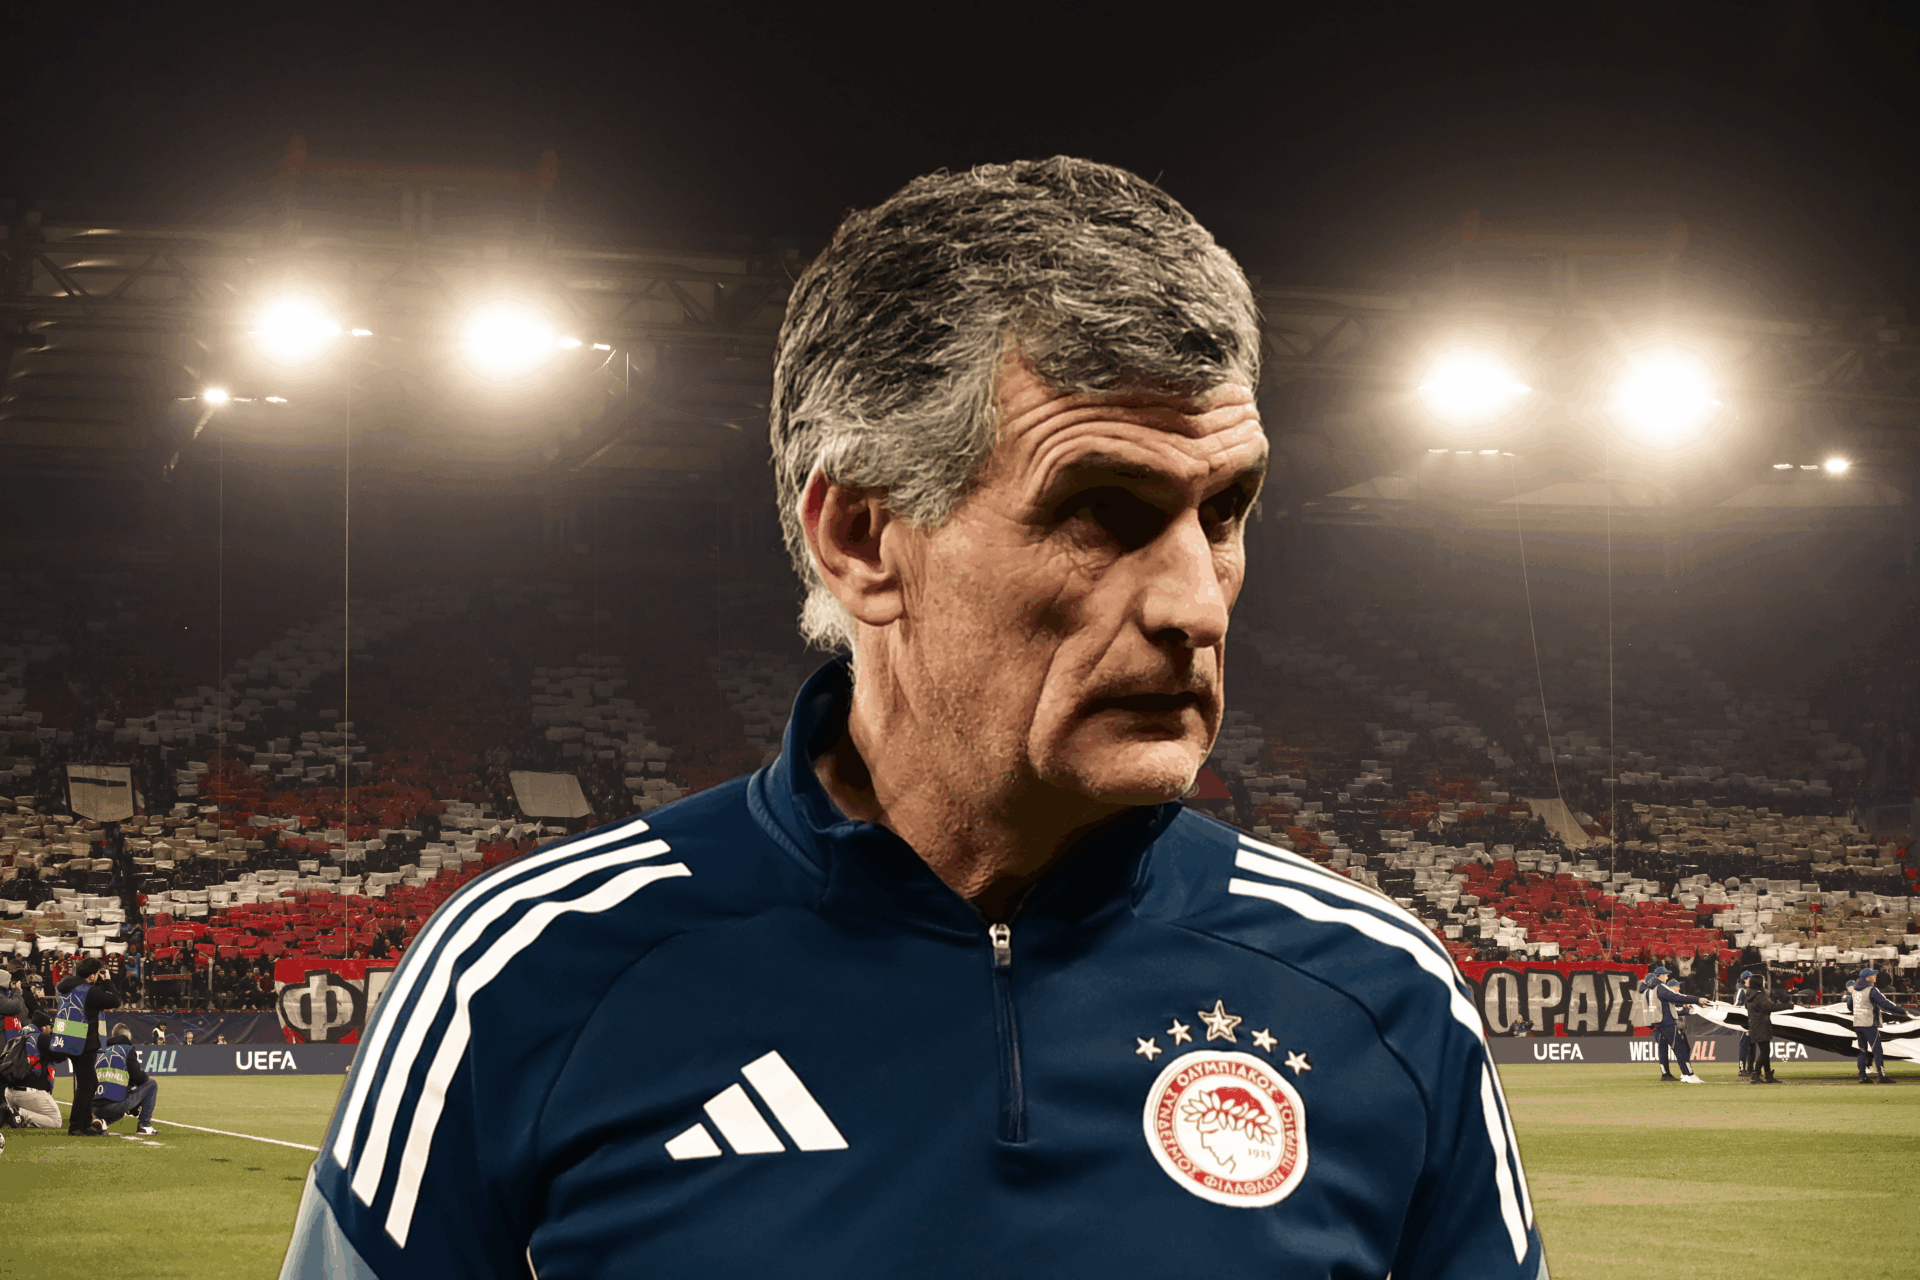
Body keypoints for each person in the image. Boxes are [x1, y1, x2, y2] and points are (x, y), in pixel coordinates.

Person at [284, 158, 1547, 1280]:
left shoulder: (1381, 993)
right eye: (1102, 510)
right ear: (862, 536)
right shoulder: (524, 976)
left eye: (1222, 512)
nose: (1196, 603)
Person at [50, 956, 121, 1136]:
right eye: (97, 974)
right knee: (86, 1084)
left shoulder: (69, 987)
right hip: (84, 1040)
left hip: (71, 1037)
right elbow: (115, 1001)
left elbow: (91, 1001)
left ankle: (84, 1124)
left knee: (89, 1082)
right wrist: (108, 982)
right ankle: (76, 1126)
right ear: (91, 976)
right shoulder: (88, 991)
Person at [1639, 966, 1708, 1083]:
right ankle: (1688, 1074)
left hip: (1657, 1022)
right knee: (1680, 1048)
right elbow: (1676, 997)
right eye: (1666, 975)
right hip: (1667, 1021)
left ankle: (1672, 1074)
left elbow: (1664, 1001)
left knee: (1668, 1049)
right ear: (1661, 976)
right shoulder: (1660, 987)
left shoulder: (1650, 989)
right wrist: (1697, 1000)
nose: (1667, 977)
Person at [1846, 967, 1909, 1084]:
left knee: (1862, 1051)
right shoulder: (1871, 990)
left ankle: (1862, 1077)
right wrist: (1901, 1011)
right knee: (1877, 1050)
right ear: (1867, 978)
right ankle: (1882, 1076)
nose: (1875, 976)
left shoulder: (1854, 991)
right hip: (1869, 1024)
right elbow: (1885, 1003)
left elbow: (1850, 1006)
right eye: (1873, 975)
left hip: (1858, 1024)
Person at [88, 1032, 158, 1134]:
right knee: (151, 1084)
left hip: (93, 1106)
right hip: (115, 1106)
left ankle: (101, 1122)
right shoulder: (126, 1049)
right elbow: (140, 1078)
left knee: (117, 1100)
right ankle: (145, 1125)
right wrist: (135, 1103)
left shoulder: (100, 1051)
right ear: (127, 1036)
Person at [0, 1023, 62, 1129]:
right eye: (49, 1026)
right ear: (43, 1027)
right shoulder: (41, 1039)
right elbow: (61, 1056)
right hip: (30, 1094)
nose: (51, 1029)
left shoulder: (18, 1039)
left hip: (9, 1093)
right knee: (56, 1122)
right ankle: (21, 1114)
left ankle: (12, 1113)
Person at [1740, 974, 1787, 1085]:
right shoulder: (1759, 995)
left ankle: (1768, 1075)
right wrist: (1788, 1006)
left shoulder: (1750, 994)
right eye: (1763, 980)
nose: (1764, 982)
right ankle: (1755, 1075)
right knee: (1765, 1052)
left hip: (1755, 1025)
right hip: (1761, 1025)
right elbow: (1770, 1007)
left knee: (1765, 1051)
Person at [1733, 968, 1756, 1077]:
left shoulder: (1752, 990)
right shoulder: (1741, 991)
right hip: (1744, 1022)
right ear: (1745, 979)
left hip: (1753, 1021)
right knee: (1744, 1045)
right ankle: (1742, 1069)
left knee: (1752, 1046)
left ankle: (1751, 1068)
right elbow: (1736, 1006)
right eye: (1750, 978)